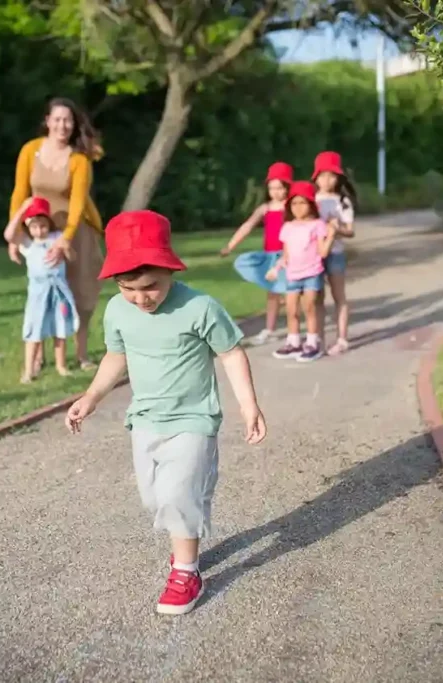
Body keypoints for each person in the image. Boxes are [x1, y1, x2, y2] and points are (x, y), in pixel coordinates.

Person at [65, 209, 267, 616]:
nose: (141, 298)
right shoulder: (118, 312)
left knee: (177, 495)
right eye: (128, 288)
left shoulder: (200, 307)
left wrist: (249, 406)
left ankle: (186, 572)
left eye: (150, 286)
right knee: (154, 498)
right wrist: (91, 397)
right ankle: (185, 532)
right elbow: (115, 357)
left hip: (194, 419)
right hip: (145, 420)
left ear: (169, 268)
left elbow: (230, 353)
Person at [9, 97, 104, 372]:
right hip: (39, 231)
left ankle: (81, 354)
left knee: (80, 292)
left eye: (68, 120)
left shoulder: (79, 160)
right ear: (48, 121)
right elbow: (20, 192)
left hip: (76, 231)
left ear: (74, 125)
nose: (63, 125)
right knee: (43, 292)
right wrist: (16, 235)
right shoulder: (30, 151)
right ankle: (38, 355)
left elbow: (77, 202)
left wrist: (66, 238)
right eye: (58, 119)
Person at [4, 196, 80, 383]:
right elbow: (8, 235)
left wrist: (66, 249)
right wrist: (22, 210)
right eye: (34, 226)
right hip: (38, 294)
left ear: (49, 223)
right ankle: (29, 370)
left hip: (58, 290)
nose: (39, 230)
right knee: (34, 330)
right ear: (29, 227)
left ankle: (61, 365)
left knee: (60, 328)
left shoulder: (57, 237)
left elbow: (73, 257)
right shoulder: (28, 243)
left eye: (43, 225)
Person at [219, 161, 293, 345]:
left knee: (293, 295)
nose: (275, 192)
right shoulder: (265, 208)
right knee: (272, 293)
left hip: (288, 256)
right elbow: (248, 226)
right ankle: (269, 329)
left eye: (279, 188)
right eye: (271, 188)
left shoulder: (293, 207)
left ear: (287, 187)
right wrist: (231, 245)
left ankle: (294, 333)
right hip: (270, 256)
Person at [266, 181, 336, 362]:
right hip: (292, 275)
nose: (298, 207)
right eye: (294, 203)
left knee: (310, 307)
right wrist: (276, 268)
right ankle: (294, 341)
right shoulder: (288, 227)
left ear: (311, 204)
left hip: (312, 273)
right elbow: (286, 254)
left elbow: (322, 252)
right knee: (291, 310)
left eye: (302, 203)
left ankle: (313, 342)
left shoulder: (317, 225)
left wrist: (331, 235)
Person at [312, 151, 357, 356]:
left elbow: (350, 230)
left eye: (331, 175)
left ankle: (342, 338)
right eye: (322, 175)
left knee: (339, 296)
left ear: (338, 177)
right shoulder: (311, 199)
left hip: (336, 253)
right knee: (316, 298)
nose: (326, 180)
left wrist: (337, 229)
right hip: (313, 255)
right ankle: (317, 338)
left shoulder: (343, 202)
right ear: (316, 177)